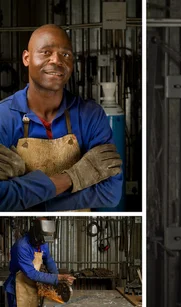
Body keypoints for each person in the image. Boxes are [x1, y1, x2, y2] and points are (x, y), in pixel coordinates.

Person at [0, 24, 123, 211]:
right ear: (26, 58)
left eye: (66, 54)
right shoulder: (4, 116)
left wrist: (24, 197)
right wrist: (74, 177)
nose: (57, 60)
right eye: (46, 52)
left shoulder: (91, 115)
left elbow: (111, 193)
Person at [5, 218, 76, 307]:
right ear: (35, 234)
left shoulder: (42, 242)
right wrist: (58, 278)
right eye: (41, 241)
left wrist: (58, 282)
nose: (43, 244)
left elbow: (48, 260)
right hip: (18, 288)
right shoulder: (22, 247)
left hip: (33, 286)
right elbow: (31, 273)